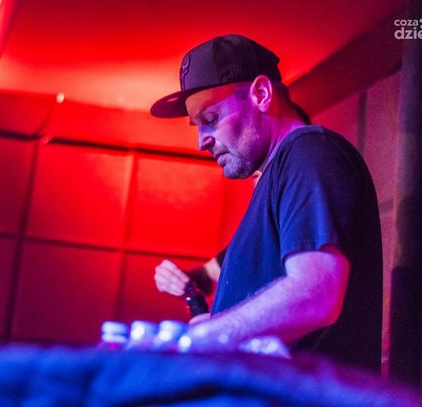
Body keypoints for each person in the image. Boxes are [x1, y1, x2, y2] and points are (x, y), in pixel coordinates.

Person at [150, 34, 382, 372]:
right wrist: (204, 301)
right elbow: (231, 277)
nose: (201, 141)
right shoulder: (279, 176)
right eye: (197, 126)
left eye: (210, 118)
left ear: (261, 94)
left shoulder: (310, 153)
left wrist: (202, 338)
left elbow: (316, 292)